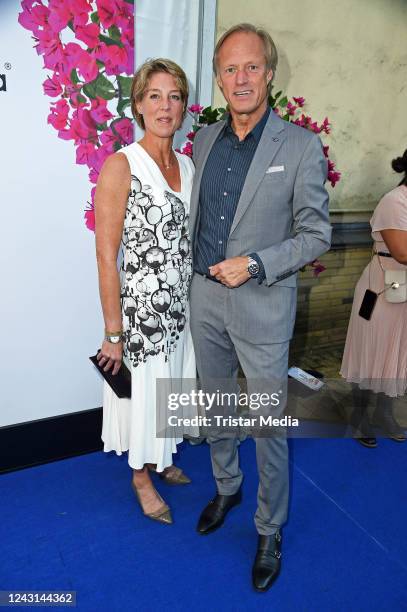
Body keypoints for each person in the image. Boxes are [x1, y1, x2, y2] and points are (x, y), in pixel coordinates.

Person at [189, 23, 331, 592]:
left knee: (267, 425)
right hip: (203, 298)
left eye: (252, 67)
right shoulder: (203, 141)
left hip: (262, 302)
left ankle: (269, 528)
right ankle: (227, 487)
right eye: (230, 69)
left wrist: (256, 263)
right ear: (220, 79)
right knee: (216, 403)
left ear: (269, 73)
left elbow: (316, 234)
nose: (241, 78)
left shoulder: (299, 145)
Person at [95, 59, 198, 525]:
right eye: (154, 95)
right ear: (138, 105)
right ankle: (141, 477)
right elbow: (105, 256)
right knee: (142, 398)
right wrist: (113, 334)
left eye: (174, 96)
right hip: (139, 315)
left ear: (183, 106)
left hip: (180, 308)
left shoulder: (190, 166)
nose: (165, 106)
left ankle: (161, 457)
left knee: (170, 390)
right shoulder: (121, 165)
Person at [340, 150, 407, 447]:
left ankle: (384, 413)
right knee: (370, 350)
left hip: (403, 290)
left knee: (395, 353)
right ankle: (359, 417)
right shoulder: (395, 201)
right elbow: (401, 252)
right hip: (381, 288)